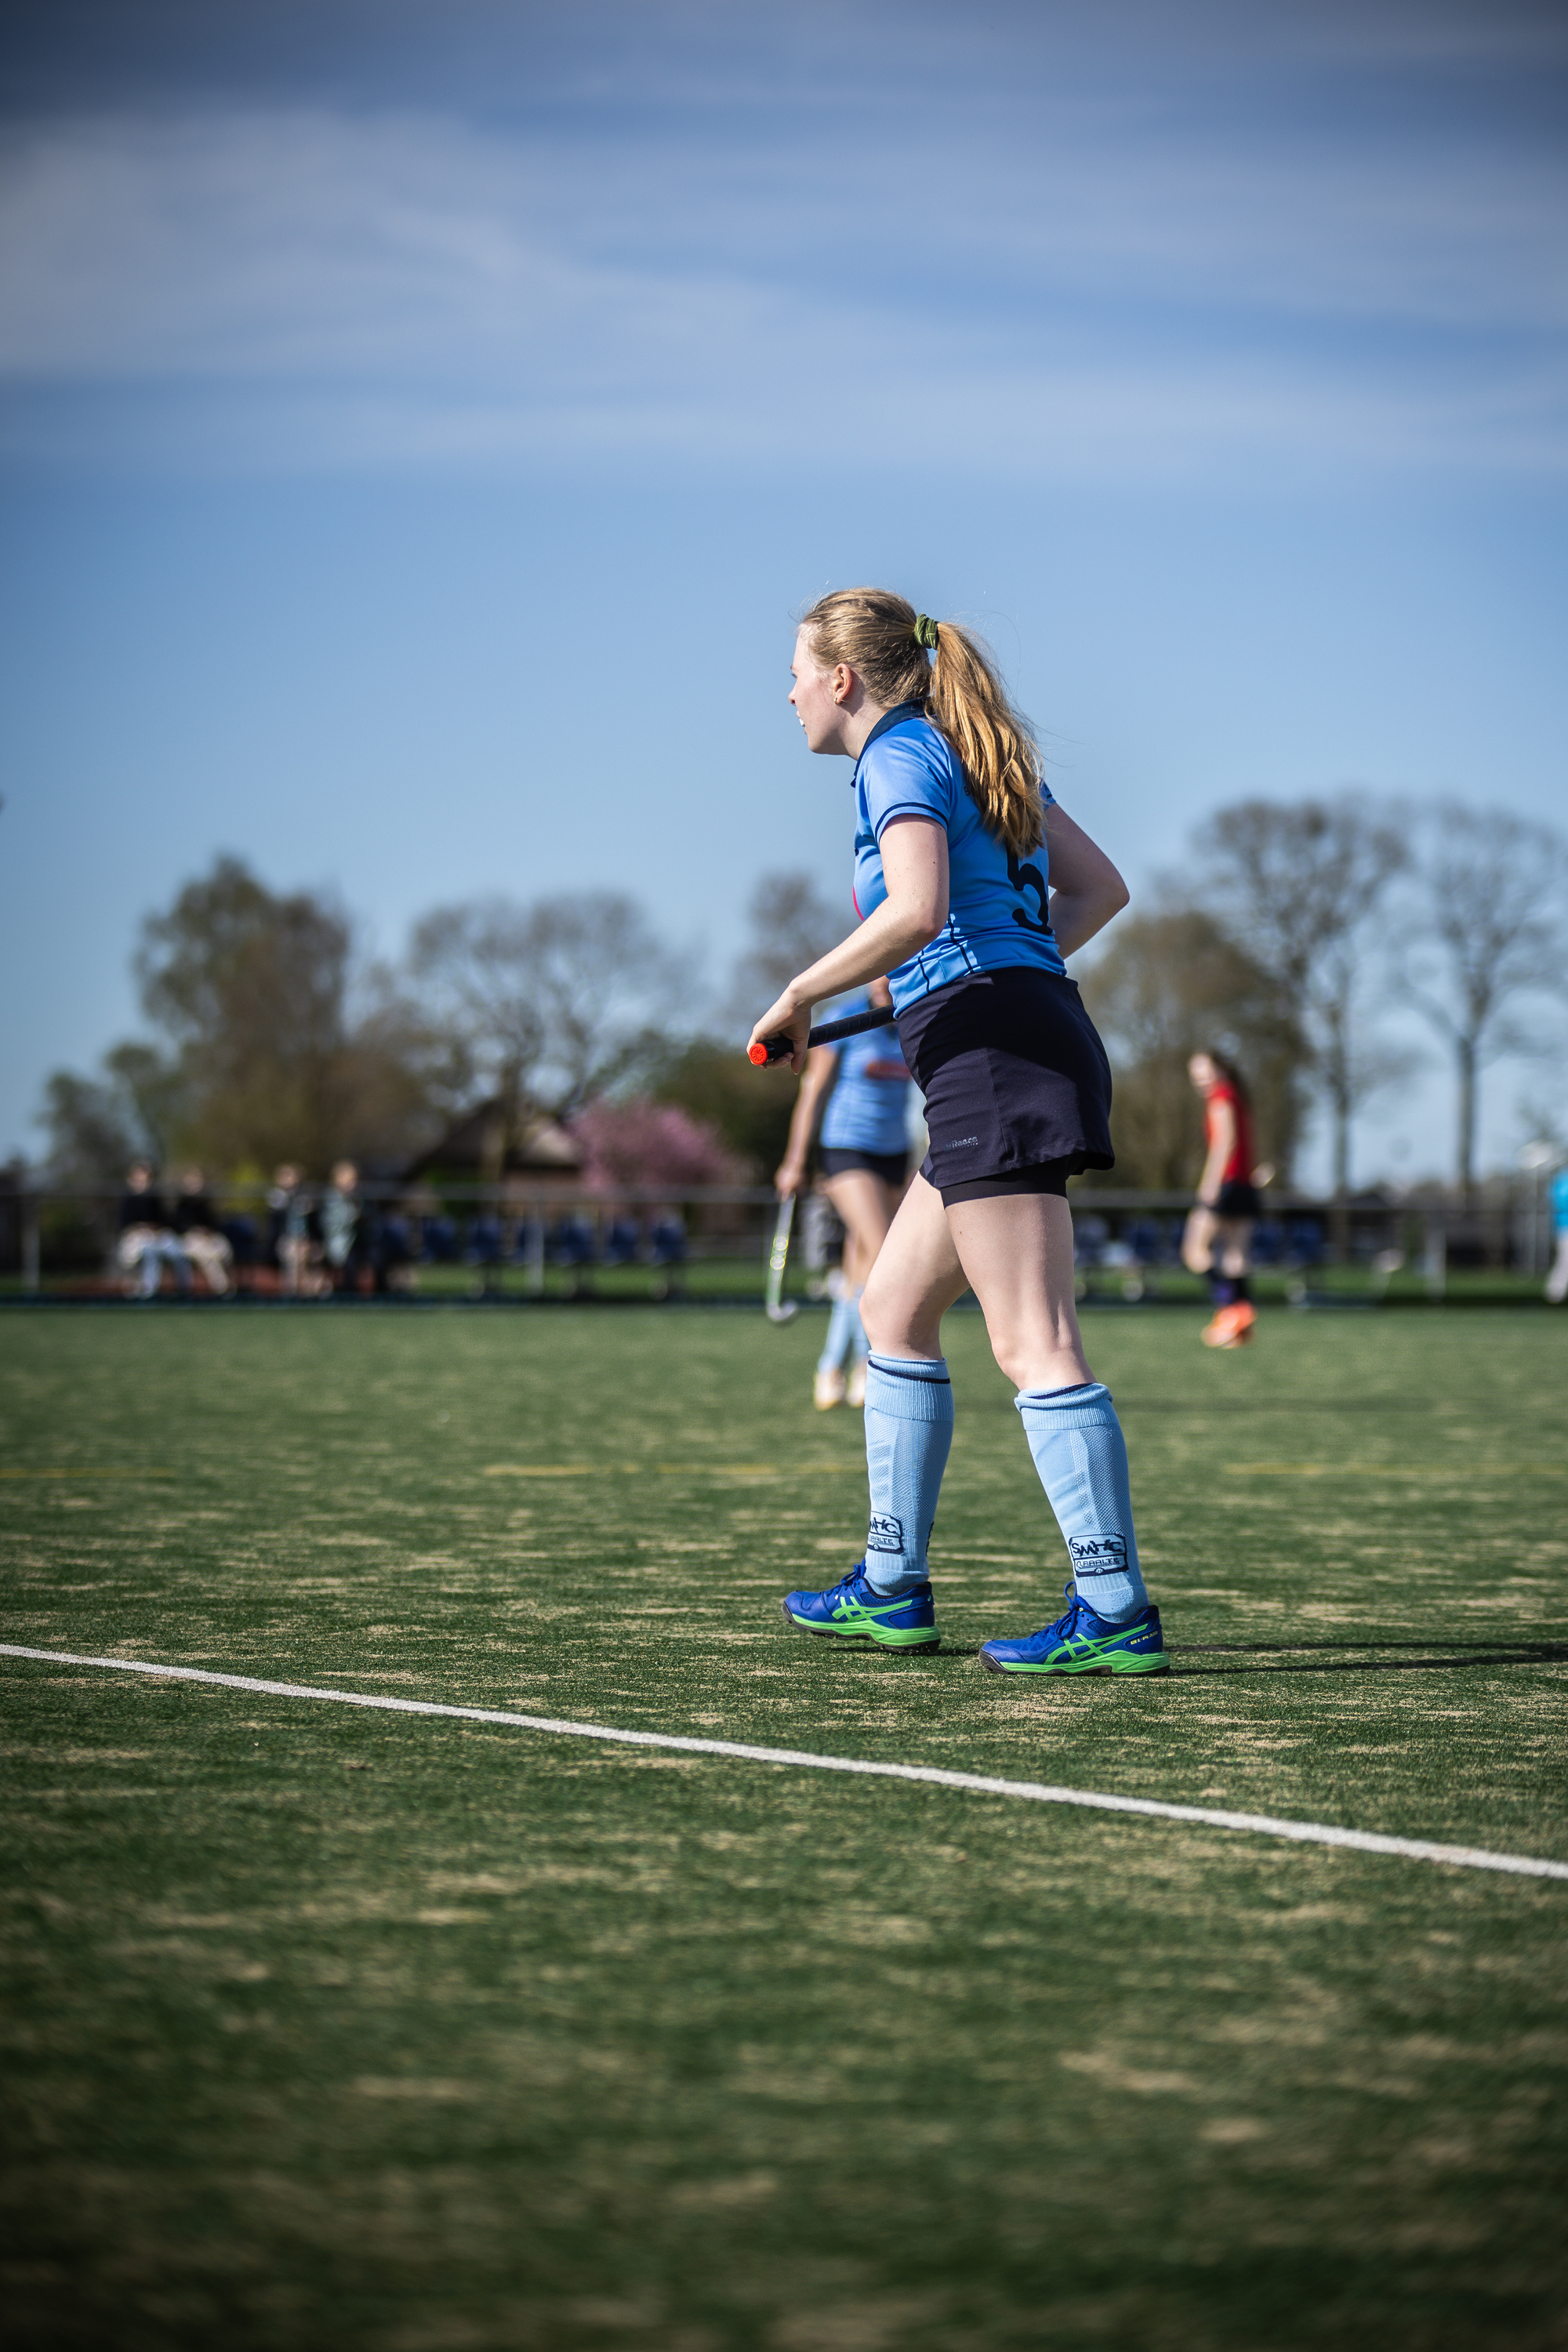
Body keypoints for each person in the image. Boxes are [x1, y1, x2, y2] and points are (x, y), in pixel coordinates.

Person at [750, 589, 1165, 1677]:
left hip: (993, 1057)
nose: (786, 691)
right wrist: (944, 980)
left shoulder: (895, 753)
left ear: (844, 679)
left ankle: (1113, 1607)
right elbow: (1097, 892)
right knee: (891, 1303)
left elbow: (920, 909)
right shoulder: (975, 751)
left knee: (1034, 1342)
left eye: (795, 670)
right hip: (1009, 1035)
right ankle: (892, 1588)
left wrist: (800, 992)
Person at [774, 974, 913, 1410]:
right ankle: (867, 1366)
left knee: (860, 1269)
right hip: (847, 1148)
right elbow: (813, 1091)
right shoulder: (845, 1020)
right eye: (881, 967)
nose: (885, 979)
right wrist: (795, 1161)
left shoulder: (912, 1019)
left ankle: (833, 1367)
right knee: (882, 1253)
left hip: (896, 1152)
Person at [1181, 1051, 1261, 1348]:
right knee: (1235, 1255)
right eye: (1195, 1074)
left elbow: (1225, 1142)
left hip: (1225, 1185)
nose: (1200, 1079)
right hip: (1244, 1185)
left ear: (1222, 1069)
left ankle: (1229, 1308)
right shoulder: (1238, 1097)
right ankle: (1239, 1325)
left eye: (1205, 1071)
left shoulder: (1221, 1098)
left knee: (1194, 1251)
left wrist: (1209, 1185)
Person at [115, 1162, 191, 1300]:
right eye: (139, 1179)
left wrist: (157, 1228)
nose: (143, 1183)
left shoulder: (155, 1198)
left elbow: (165, 1220)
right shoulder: (127, 1199)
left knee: (178, 1252)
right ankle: (149, 1294)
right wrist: (142, 1228)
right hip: (139, 1239)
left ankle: (184, 1291)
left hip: (158, 1236)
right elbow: (125, 1225)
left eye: (146, 1179)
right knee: (151, 1253)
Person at [171, 1167, 234, 1297]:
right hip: (190, 1240)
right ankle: (223, 1290)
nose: (195, 1183)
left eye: (197, 1180)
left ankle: (228, 1285)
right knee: (208, 1257)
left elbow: (214, 1223)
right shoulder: (182, 1203)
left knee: (224, 1250)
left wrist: (207, 1231)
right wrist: (195, 1230)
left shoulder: (206, 1202)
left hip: (209, 1237)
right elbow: (178, 1225)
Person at [1546, 1162, 1568, 1305]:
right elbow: (1560, 1202)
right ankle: (1555, 1294)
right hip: (1565, 1227)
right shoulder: (1563, 1181)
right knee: (1565, 1261)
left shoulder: (1560, 1180)